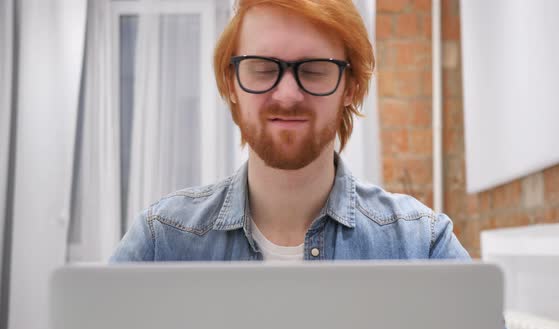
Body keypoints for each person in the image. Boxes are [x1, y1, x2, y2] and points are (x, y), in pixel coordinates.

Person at [110, 0, 470, 262]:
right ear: (231, 84)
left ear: (352, 88)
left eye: (314, 69)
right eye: (263, 68)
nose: (287, 94)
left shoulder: (423, 245)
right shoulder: (162, 241)